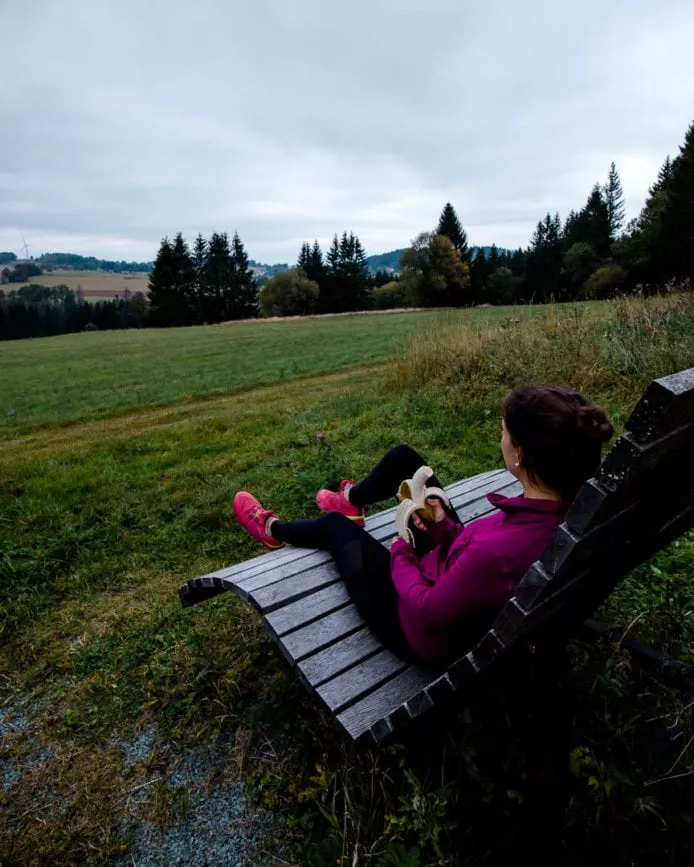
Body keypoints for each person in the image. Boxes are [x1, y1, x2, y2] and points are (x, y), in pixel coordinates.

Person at [233, 385, 614, 667]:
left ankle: (273, 530)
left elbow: (430, 610)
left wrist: (401, 549)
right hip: (461, 578)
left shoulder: (494, 554)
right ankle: (352, 502)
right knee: (406, 459)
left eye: (504, 432)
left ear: (519, 454)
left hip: (417, 629)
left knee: (335, 529)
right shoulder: (562, 511)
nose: (502, 438)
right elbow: (482, 564)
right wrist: (444, 530)